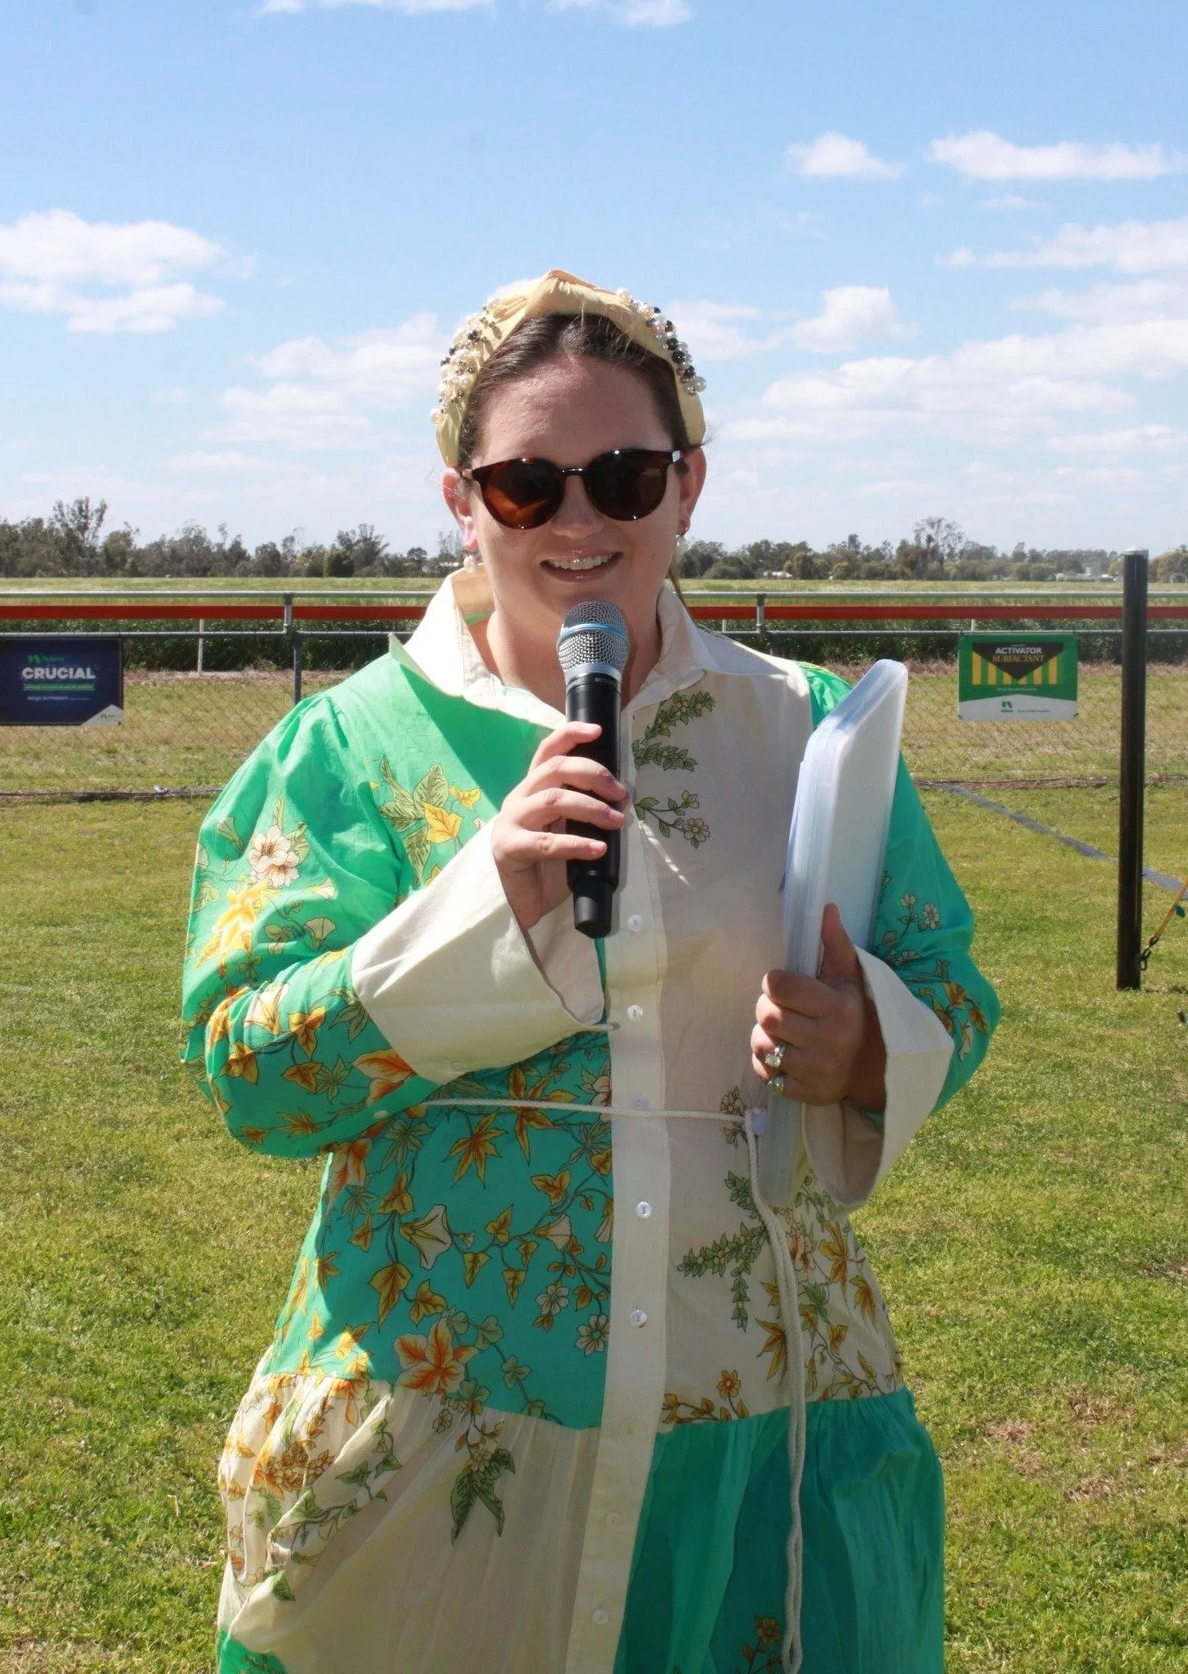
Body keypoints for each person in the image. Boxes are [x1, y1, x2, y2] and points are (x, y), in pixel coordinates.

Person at [181, 269, 999, 1674]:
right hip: (438, 1435)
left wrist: (872, 1044)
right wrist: (475, 916)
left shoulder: (808, 731)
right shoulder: (348, 754)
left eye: (621, 477)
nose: (577, 522)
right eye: (526, 486)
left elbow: (950, 989)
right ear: (461, 500)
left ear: (685, 488)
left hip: (759, 1431)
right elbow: (254, 1075)